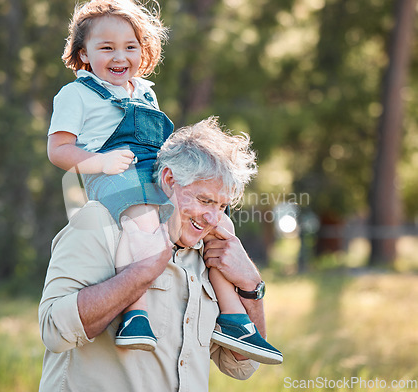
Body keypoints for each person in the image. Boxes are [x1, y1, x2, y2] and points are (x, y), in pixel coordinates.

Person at [46, 0, 281, 362]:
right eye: (106, 47)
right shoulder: (76, 94)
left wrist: (252, 282)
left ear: (144, 51)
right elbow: (58, 150)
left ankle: (234, 317)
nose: (119, 55)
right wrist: (100, 161)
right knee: (141, 221)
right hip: (114, 174)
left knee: (222, 228)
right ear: (83, 54)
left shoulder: (144, 91)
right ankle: (135, 315)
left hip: (155, 173)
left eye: (130, 46)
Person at [39, 117, 283, 392]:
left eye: (223, 205)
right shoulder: (100, 222)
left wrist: (251, 286)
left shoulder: (210, 254)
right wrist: (141, 273)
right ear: (169, 179)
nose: (214, 218)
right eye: (204, 200)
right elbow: (53, 331)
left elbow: (241, 364)